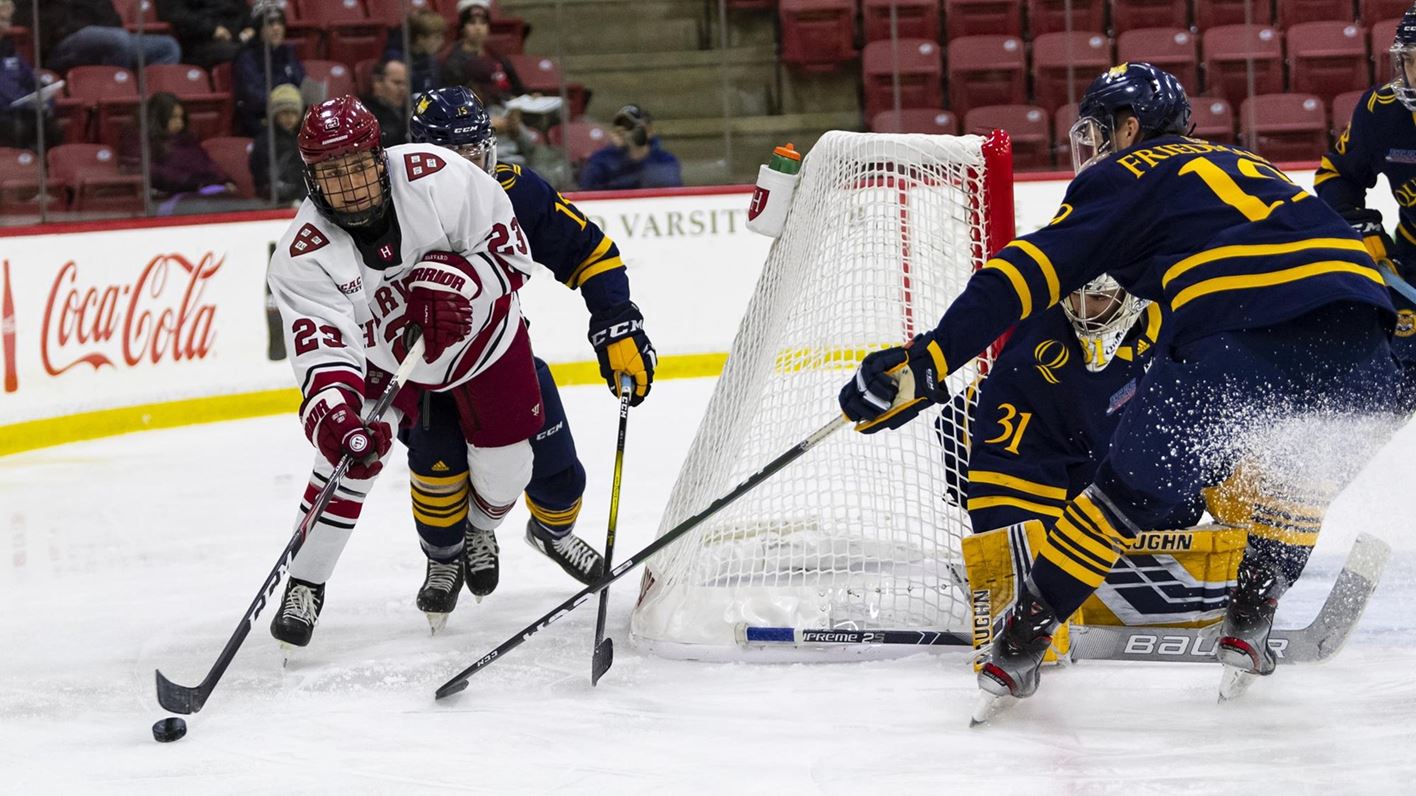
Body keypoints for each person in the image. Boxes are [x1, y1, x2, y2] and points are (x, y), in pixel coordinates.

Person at [837, 62, 1402, 715]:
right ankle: (1251, 614)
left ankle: (1018, 647)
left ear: (1130, 127)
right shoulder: (1239, 166)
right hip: (1368, 341)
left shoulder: (1129, 173)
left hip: (1242, 330)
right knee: (1303, 470)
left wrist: (931, 358)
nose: (1096, 149)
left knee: (1118, 501)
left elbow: (1021, 273)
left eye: (1102, 133)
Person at [264, 95, 542, 648]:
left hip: (484, 341)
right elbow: (322, 351)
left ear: (379, 156)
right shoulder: (302, 255)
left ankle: (480, 531)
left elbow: (511, 256)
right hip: (382, 357)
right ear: (310, 179)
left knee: (510, 468)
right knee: (345, 457)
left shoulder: (439, 176)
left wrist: (461, 280)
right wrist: (335, 415)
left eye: (357, 166)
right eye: (331, 173)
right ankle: (306, 582)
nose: (349, 184)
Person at [402, 86, 656, 628]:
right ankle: (446, 556)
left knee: (560, 477)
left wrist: (615, 323)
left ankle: (550, 532)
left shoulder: (513, 192)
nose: (470, 166)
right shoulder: (393, 209)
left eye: (476, 151)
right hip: (426, 375)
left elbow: (591, 251)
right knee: (439, 470)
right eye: (453, 156)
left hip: (502, 361)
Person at [1315, 4, 1416, 410]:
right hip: (1410, 264)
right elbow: (1334, 175)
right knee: (1397, 386)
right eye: (1410, 60)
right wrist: (1363, 228)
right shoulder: (1383, 112)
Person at [15, 0, 180, 72]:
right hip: (60, 45)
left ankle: (153, 105)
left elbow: (114, 19)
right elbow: (25, 18)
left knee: (167, 46)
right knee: (115, 39)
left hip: (106, 39)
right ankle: (116, 90)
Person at [118, 91, 232, 195]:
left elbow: (208, 164)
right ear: (158, 118)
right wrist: (191, 182)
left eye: (181, 118)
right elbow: (146, 169)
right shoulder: (138, 138)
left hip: (200, 193)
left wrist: (225, 180)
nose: (179, 123)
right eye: (173, 118)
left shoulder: (187, 139)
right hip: (165, 199)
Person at [232, 0, 304, 136]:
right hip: (261, 119)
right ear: (259, 29)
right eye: (270, 24)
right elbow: (253, 96)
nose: (276, 28)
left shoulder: (288, 52)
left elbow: (300, 81)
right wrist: (284, 100)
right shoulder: (247, 57)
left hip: (293, 114)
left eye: (280, 23)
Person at [578, 104, 682, 191]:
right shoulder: (601, 160)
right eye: (620, 126)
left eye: (631, 126)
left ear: (649, 131)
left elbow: (667, 189)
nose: (624, 131)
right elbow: (588, 194)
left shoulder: (665, 160)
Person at [0, 0, 59, 151]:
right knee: (15, 127)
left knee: (51, 126)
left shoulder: (10, 52)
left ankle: (45, 170)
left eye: (6, 20)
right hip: (6, 117)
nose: (4, 25)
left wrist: (46, 100)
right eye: (0, 19)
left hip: (21, 114)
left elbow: (33, 82)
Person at [440, 0, 523, 106]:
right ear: (463, 28)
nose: (478, 28)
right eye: (472, 23)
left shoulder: (496, 55)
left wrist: (530, 96)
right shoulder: (454, 62)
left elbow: (517, 87)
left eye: (483, 23)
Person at [250, 83, 306, 204]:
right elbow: (261, 177)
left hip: (303, 199)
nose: (290, 118)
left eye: (294, 112)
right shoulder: (264, 142)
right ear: (275, 114)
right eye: (285, 112)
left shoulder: (304, 139)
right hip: (275, 202)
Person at [154, 0, 253, 69]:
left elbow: (243, 10)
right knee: (241, 54)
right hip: (199, 42)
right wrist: (212, 29)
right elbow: (176, 14)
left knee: (263, 49)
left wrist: (250, 26)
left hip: (237, 38)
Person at [383, 8, 446, 97]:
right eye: (436, 37)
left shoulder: (431, 60)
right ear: (420, 39)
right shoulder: (395, 60)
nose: (441, 42)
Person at [361, 58, 409, 148]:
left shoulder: (409, 109)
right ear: (378, 83)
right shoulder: (365, 114)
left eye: (405, 83)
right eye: (397, 83)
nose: (403, 89)